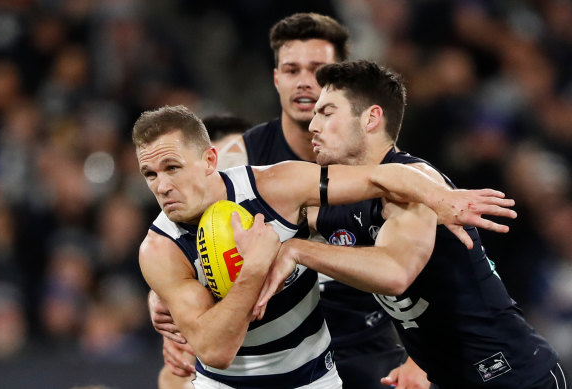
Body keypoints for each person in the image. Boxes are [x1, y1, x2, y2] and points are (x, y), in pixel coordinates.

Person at [133, 104, 516, 388]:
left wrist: (440, 197)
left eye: (172, 167)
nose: (162, 186)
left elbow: (382, 178)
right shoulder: (159, 248)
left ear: (209, 159)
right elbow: (216, 350)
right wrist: (255, 268)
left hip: (316, 378)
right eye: (149, 174)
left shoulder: (276, 187)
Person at [150, 13, 432, 389]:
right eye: (291, 69)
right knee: (173, 377)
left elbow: (428, 260)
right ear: (276, 78)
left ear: (338, 82)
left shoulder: (377, 164)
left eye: (318, 70)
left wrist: (422, 357)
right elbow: (176, 241)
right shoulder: (239, 160)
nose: (303, 81)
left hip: (362, 340)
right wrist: (160, 298)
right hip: (269, 343)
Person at [255, 60, 569, 388]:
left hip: (514, 376)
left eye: (328, 112)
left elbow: (395, 272)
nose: (313, 126)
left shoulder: (417, 185)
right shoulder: (348, 198)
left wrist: (297, 250)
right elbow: (278, 214)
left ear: (371, 118)